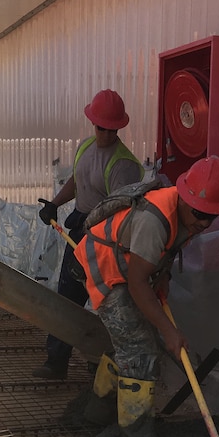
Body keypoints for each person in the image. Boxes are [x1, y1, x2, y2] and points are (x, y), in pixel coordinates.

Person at [75, 155, 219, 437]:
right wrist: (170, 332)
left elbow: (166, 251)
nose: (205, 222)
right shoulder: (154, 218)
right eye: (200, 214)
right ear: (184, 199)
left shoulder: (190, 216)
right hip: (108, 267)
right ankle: (135, 436)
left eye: (212, 216)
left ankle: (97, 413)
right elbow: (137, 284)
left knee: (130, 340)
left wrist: (163, 277)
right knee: (140, 350)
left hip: (130, 265)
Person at [34, 89, 143, 380]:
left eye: (111, 129)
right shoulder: (85, 147)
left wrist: (95, 237)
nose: (105, 134)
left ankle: (99, 370)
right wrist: (55, 204)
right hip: (80, 228)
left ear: (119, 127)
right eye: (100, 128)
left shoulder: (124, 165)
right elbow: (77, 180)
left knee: (104, 303)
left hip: (106, 239)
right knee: (67, 297)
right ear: (93, 124)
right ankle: (56, 362)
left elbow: (120, 214)